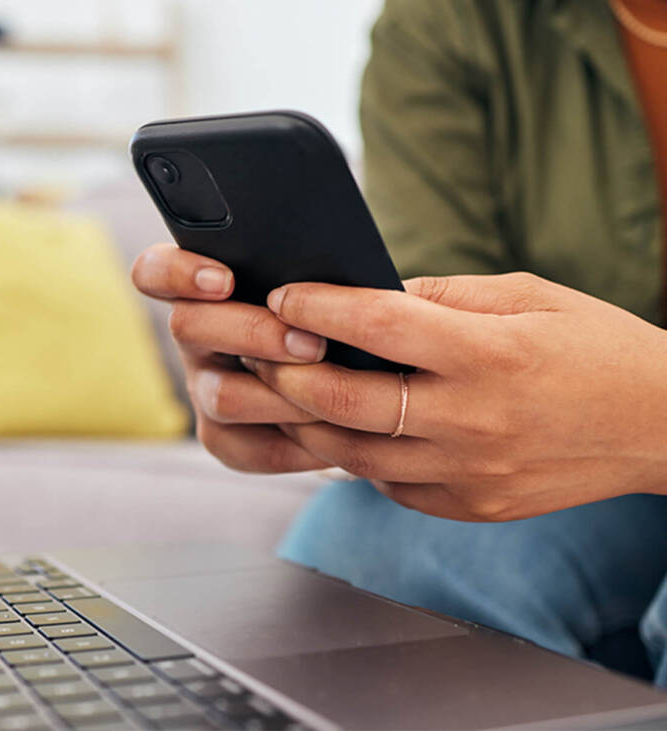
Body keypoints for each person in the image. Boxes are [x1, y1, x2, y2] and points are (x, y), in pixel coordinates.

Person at [131, 0, 667, 683]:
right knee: (362, 552)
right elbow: (432, 314)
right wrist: (314, 388)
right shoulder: (449, 21)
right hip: (580, 489)